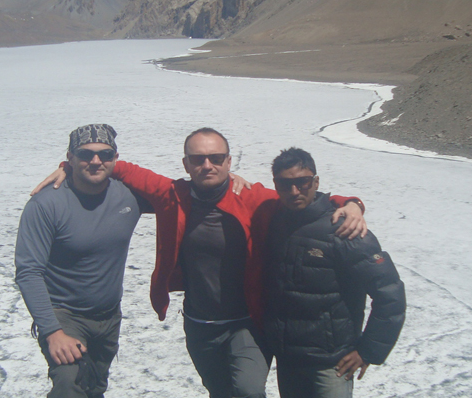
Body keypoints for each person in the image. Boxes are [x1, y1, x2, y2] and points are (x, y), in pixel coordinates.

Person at [33, 128, 368, 398]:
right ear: (186, 163)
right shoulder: (172, 194)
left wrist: (351, 203)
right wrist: (69, 166)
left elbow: (305, 199)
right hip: (199, 324)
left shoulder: (250, 197)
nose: (207, 165)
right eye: (198, 159)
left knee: (249, 390)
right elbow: (120, 168)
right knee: (219, 391)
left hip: (246, 322)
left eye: (216, 158)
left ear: (228, 161)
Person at [15, 124, 152, 398]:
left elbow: (181, 197)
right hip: (64, 315)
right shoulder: (46, 205)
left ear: (116, 157)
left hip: (108, 316)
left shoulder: (128, 195)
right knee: (70, 384)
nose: (96, 161)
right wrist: (53, 332)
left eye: (105, 154)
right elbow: (28, 271)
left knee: (94, 387)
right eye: (85, 154)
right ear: (70, 157)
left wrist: (228, 180)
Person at [264, 148, 406, 398]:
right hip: (289, 359)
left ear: (316, 182)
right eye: (285, 184)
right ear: (276, 185)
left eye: (302, 182)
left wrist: (368, 351)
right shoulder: (275, 222)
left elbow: (390, 294)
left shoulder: (344, 229)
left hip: (333, 363)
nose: (294, 191)